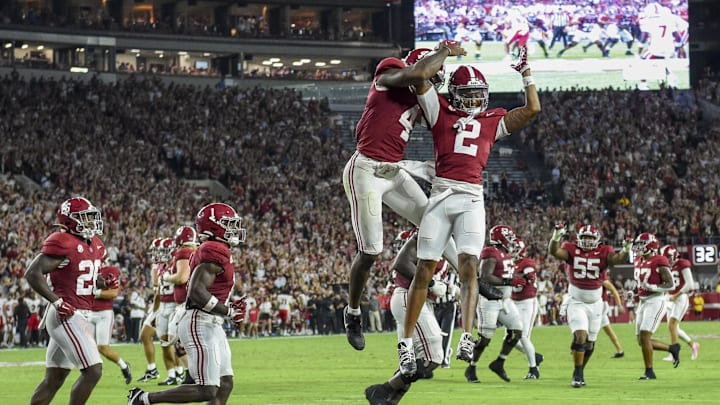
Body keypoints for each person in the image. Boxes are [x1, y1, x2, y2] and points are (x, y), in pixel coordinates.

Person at [399, 45, 541, 376]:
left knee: (469, 266)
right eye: (469, 94)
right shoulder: (439, 108)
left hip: (471, 198)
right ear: (454, 92)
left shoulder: (492, 120)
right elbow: (420, 77)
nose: (476, 101)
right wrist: (444, 54)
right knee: (424, 270)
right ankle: (405, 341)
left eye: (479, 94)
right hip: (441, 194)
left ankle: (466, 335)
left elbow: (533, 108)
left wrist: (526, 73)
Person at [341, 40, 466, 351]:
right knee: (371, 251)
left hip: (393, 171)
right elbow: (419, 73)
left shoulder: (419, 97)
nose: (435, 79)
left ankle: (470, 274)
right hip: (366, 170)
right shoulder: (390, 72)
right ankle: (353, 312)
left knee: (432, 219)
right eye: (433, 72)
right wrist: (446, 51)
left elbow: (445, 124)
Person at [128, 203, 247, 405]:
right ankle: (143, 399)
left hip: (211, 322)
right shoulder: (214, 248)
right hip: (199, 321)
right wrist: (228, 311)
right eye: (228, 224)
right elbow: (196, 292)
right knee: (207, 389)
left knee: (225, 383)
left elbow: (208, 289)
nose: (233, 229)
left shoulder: (217, 248)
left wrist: (226, 306)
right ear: (214, 226)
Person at [24, 196, 116, 405]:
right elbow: (32, 273)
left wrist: (103, 282)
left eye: (92, 217)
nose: (91, 222)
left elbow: (84, 279)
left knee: (54, 379)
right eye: (85, 218)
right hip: (67, 313)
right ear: (70, 220)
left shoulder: (95, 245)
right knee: (93, 371)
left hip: (77, 312)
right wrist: (56, 302)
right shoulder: (62, 241)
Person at [365, 229, 445, 405]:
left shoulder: (446, 241)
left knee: (410, 365)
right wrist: (432, 283)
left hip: (414, 300)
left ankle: (389, 400)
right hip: (409, 298)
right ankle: (381, 390)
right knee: (433, 357)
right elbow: (401, 264)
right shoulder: (429, 234)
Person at [547, 224, 630, 388]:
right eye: (584, 237)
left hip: (596, 304)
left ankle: (579, 370)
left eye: (590, 238)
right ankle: (577, 374)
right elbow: (554, 252)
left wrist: (626, 250)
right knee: (581, 336)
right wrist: (556, 236)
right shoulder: (571, 249)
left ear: (597, 239)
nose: (586, 240)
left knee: (590, 342)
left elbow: (617, 260)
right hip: (576, 301)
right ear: (579, 238)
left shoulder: (604, 251)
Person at [464, 225, 524, 384]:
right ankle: (471, 366)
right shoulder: (491, 252)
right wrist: (510, 281)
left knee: (517, 330)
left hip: (504, 300)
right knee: (485, 339)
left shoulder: (505, 253)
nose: (511, 240)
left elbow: (503, 273)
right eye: (509, 237)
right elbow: (484, 277)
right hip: (489, 300)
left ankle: (499, 363)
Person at [632, 232, 676, 380]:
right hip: (643, 301)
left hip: (656, 300)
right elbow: (640, 283)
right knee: (641, 341)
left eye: (641, 245)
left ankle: (649, 372)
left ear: (650, 246)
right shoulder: (638, 260)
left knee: (645, 336)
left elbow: (671, 284)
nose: (638, 248)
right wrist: (633, 293)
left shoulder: (659, 260)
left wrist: (653, 287)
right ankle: (672, 349)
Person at [162, 226, 199, 383]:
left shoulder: (184, 252)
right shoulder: (194, 251)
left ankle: (194, 374)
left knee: (176, 340)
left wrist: (167, 277)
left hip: (185, 304)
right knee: (184, 341)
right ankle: (192, 373)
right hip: (191, 302)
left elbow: (182, 277)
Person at [90, 263, 132, 384]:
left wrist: (94, 293)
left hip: (103, 314)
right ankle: (93, 373)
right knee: (87, 347)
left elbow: (113, 293)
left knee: (103, 347)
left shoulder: (109, 270)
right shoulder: (85, 266)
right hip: (88, 313)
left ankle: (124, 366)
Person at [510, 238, 544, 380]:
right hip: (514, 302)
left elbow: (526, 280)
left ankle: (533, 369)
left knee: (523, 336)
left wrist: (511, 280)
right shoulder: (508, 263)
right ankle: (535, 356)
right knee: (511, 339)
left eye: (512, 248)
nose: (510, 251)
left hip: (527, 302)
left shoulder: (527, 263)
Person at [659, 245, 700, 362]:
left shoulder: (683, 263)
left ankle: (674, 354)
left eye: (668, 258)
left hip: (680, 298)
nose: (667, 260)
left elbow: (690, 284)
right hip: (671, 298)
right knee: (673, 328)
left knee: (672, 325)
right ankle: (693, 345)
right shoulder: (668, 267)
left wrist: (675, 296)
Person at [137, 238, 163, 382]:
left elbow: (159, 291)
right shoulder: (159, 266)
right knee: (147, 336)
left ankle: (179, 372)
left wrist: (155, 311)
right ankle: (153, 369)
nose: (155, 254)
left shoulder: (163, 266)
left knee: (169, 340)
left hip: (165, 306)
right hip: (159, 306)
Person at [600, 276, 625, 358]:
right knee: (608, 330)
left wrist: (619, 305)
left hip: (600, 305)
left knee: (587, 328)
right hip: (598, 305)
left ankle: (579, 347)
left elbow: (613, 290)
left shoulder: (601, 279)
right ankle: (620, 350)